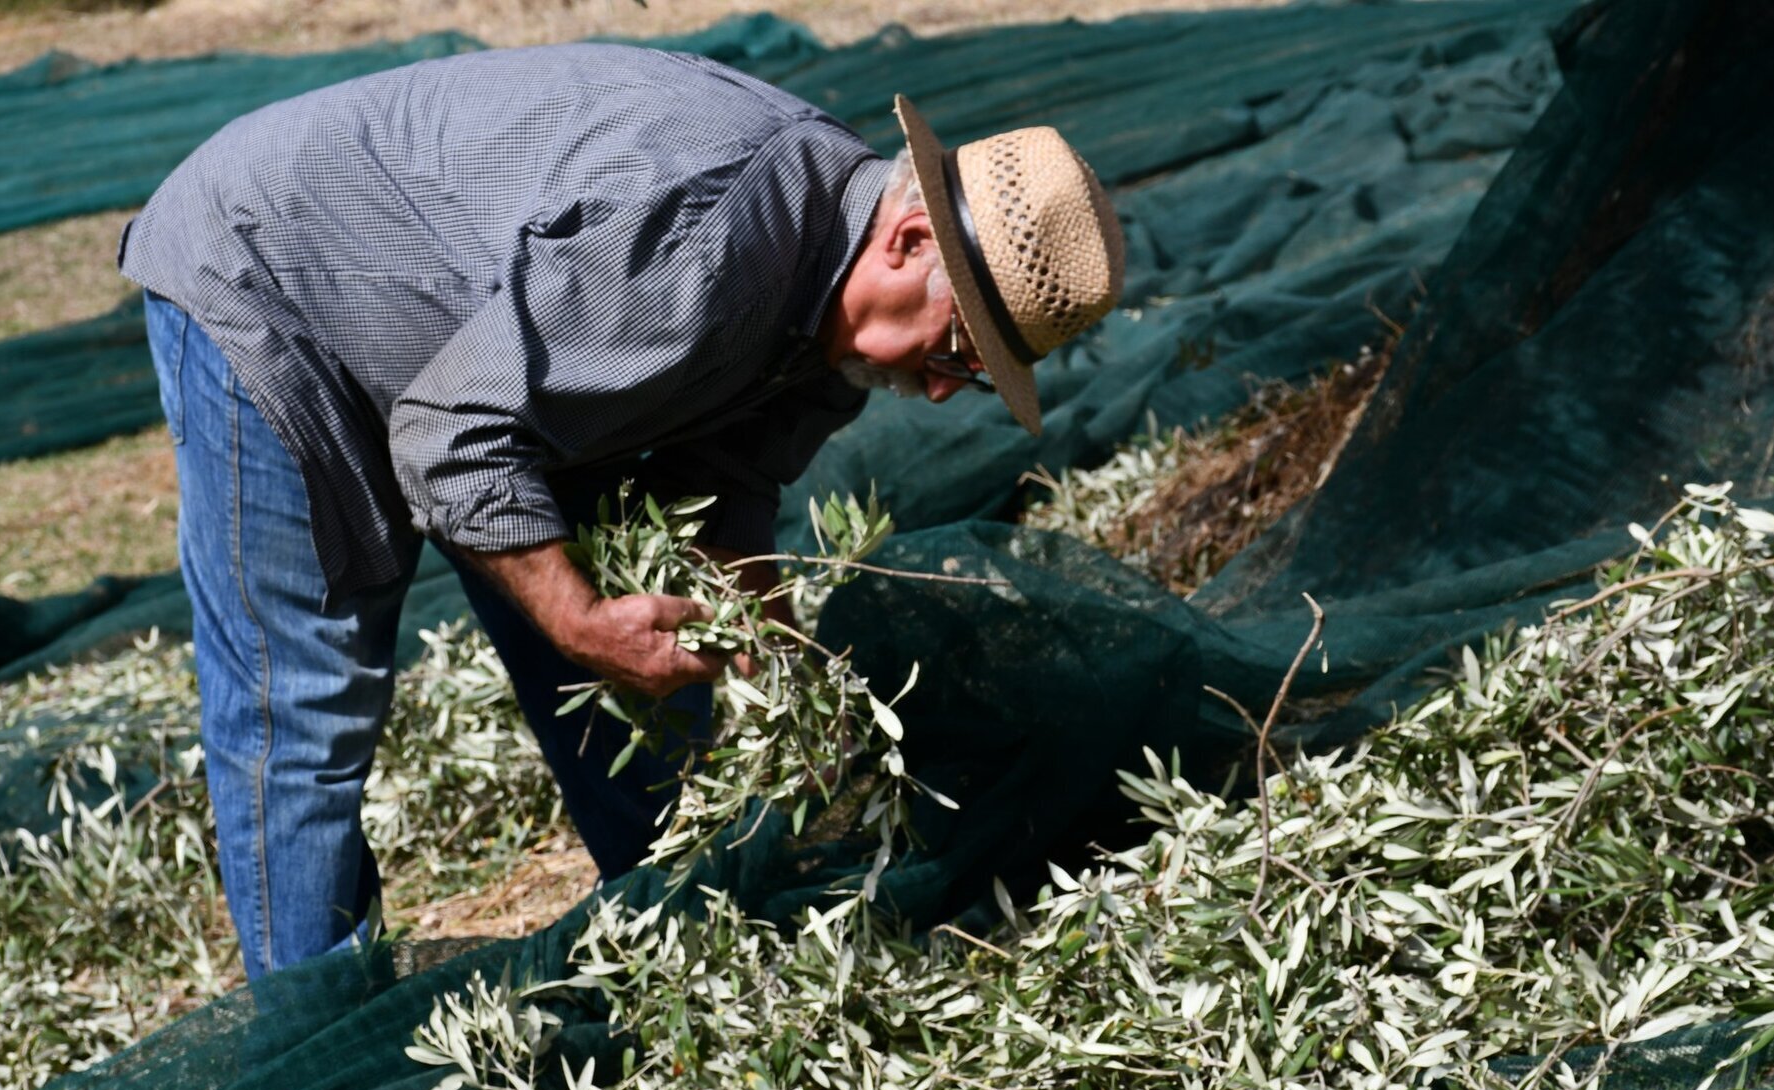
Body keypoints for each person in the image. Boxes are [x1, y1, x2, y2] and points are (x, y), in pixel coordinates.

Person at [119, 42, 1125, 982]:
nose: (942, 390)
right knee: (305, 695)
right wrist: (576, 620)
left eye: (972, 375)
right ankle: (313, 1039)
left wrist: (785, 673)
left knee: (643, 648)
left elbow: (723, 497)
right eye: (956, 350)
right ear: (907, 241)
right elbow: (449, 434)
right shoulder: (702, 245)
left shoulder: (842, 317)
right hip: (276, 275)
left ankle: (678, 955)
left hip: (490, 353)